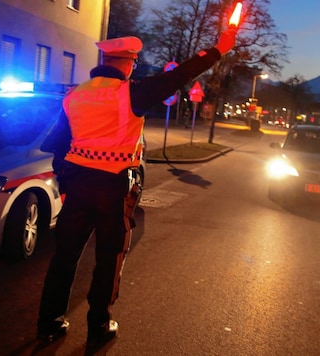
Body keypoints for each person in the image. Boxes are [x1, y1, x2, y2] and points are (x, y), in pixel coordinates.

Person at [36, 25, 239, 346]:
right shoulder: (131, 92)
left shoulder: (75, 94)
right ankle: (98, 326)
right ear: (127, 63)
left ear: (103, 59)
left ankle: (48, 323)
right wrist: (218, 49)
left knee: (64, 256)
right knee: (108, 257)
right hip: (112, 188)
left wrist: (65, 182)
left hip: (77, 186)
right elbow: (180, 75)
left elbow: (58, 145)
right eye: (133, 63)